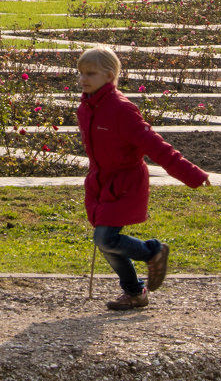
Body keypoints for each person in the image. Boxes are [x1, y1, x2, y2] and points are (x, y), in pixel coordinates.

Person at [77, 45, 210, 311]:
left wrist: (192, 174)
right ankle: (135, 292)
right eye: (80, 74)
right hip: (101, 183)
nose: (83, 79)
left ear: (110, 75)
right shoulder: (86, 107)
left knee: (106, 239)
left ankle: (153, 252)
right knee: (105, 243)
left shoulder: (121, 109)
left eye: (90, 74)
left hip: (126, 183)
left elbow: (156, 146)